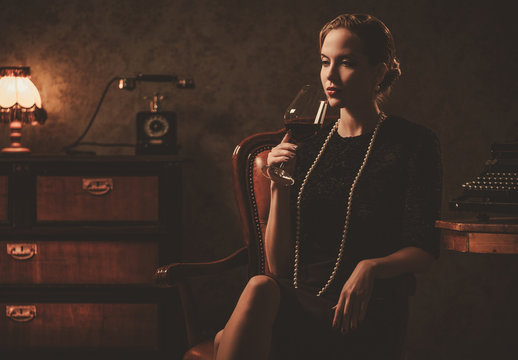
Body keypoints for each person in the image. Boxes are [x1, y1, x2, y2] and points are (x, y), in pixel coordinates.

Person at [213, 13, 442, 360]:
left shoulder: (412, 143)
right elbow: (276, 268)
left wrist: (370, 266)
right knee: (260, 286)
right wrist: (278, 186)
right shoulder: (310, 143)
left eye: (346, 63)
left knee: (229, 340)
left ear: (379, 72)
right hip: (298, 300)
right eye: (324, 62)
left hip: (358, 310)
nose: (330, 76)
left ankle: (227, 341)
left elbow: (424, 251)